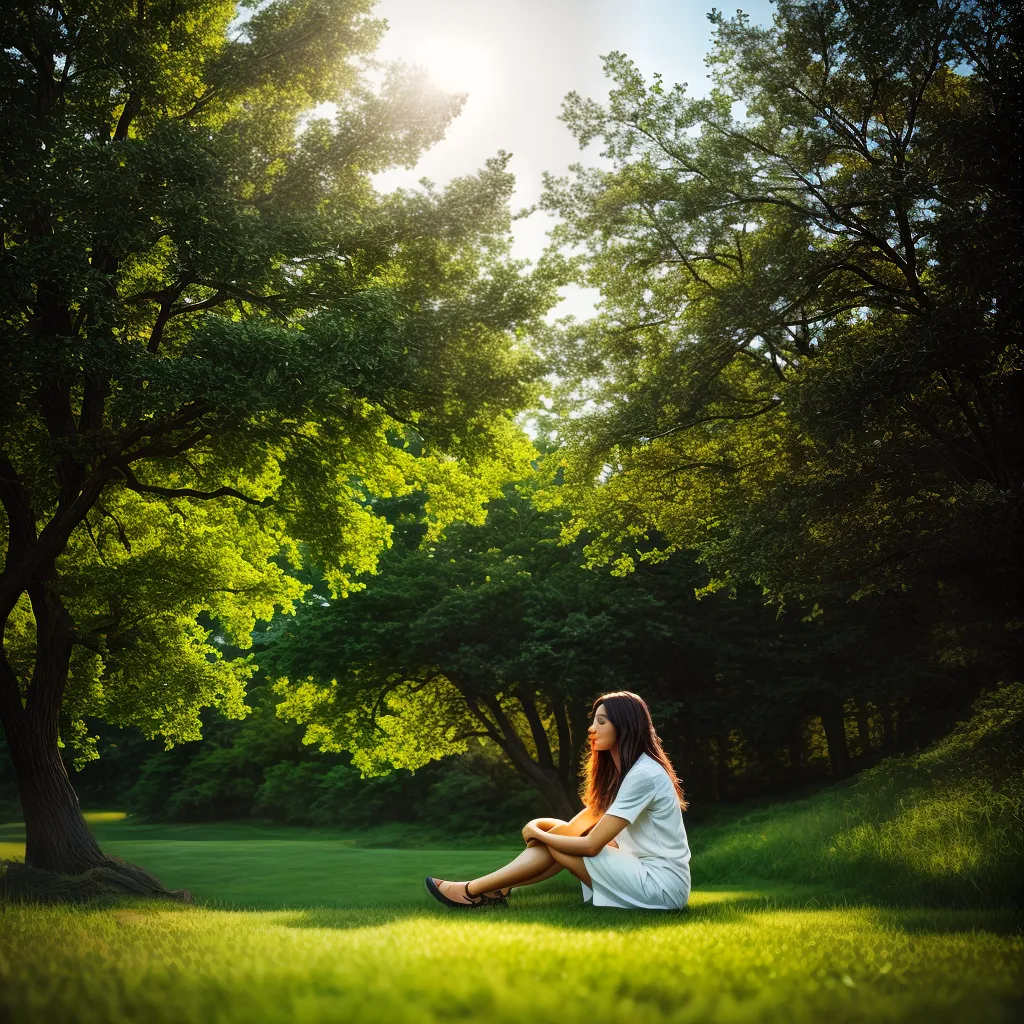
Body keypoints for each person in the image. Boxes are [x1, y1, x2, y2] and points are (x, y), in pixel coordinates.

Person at [425, 690, 691, 910]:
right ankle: (495, 889)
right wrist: (541, 828)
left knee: (561, 844)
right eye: (593, 721)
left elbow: (589, 845)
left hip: (661, 887)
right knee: (559, 836)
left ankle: (472, 891)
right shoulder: (625, 774)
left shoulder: (643, 774)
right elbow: (574, 828)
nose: (591, 728)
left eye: (601, 721)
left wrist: (537, 834)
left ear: (625, 726)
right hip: (638, 869)